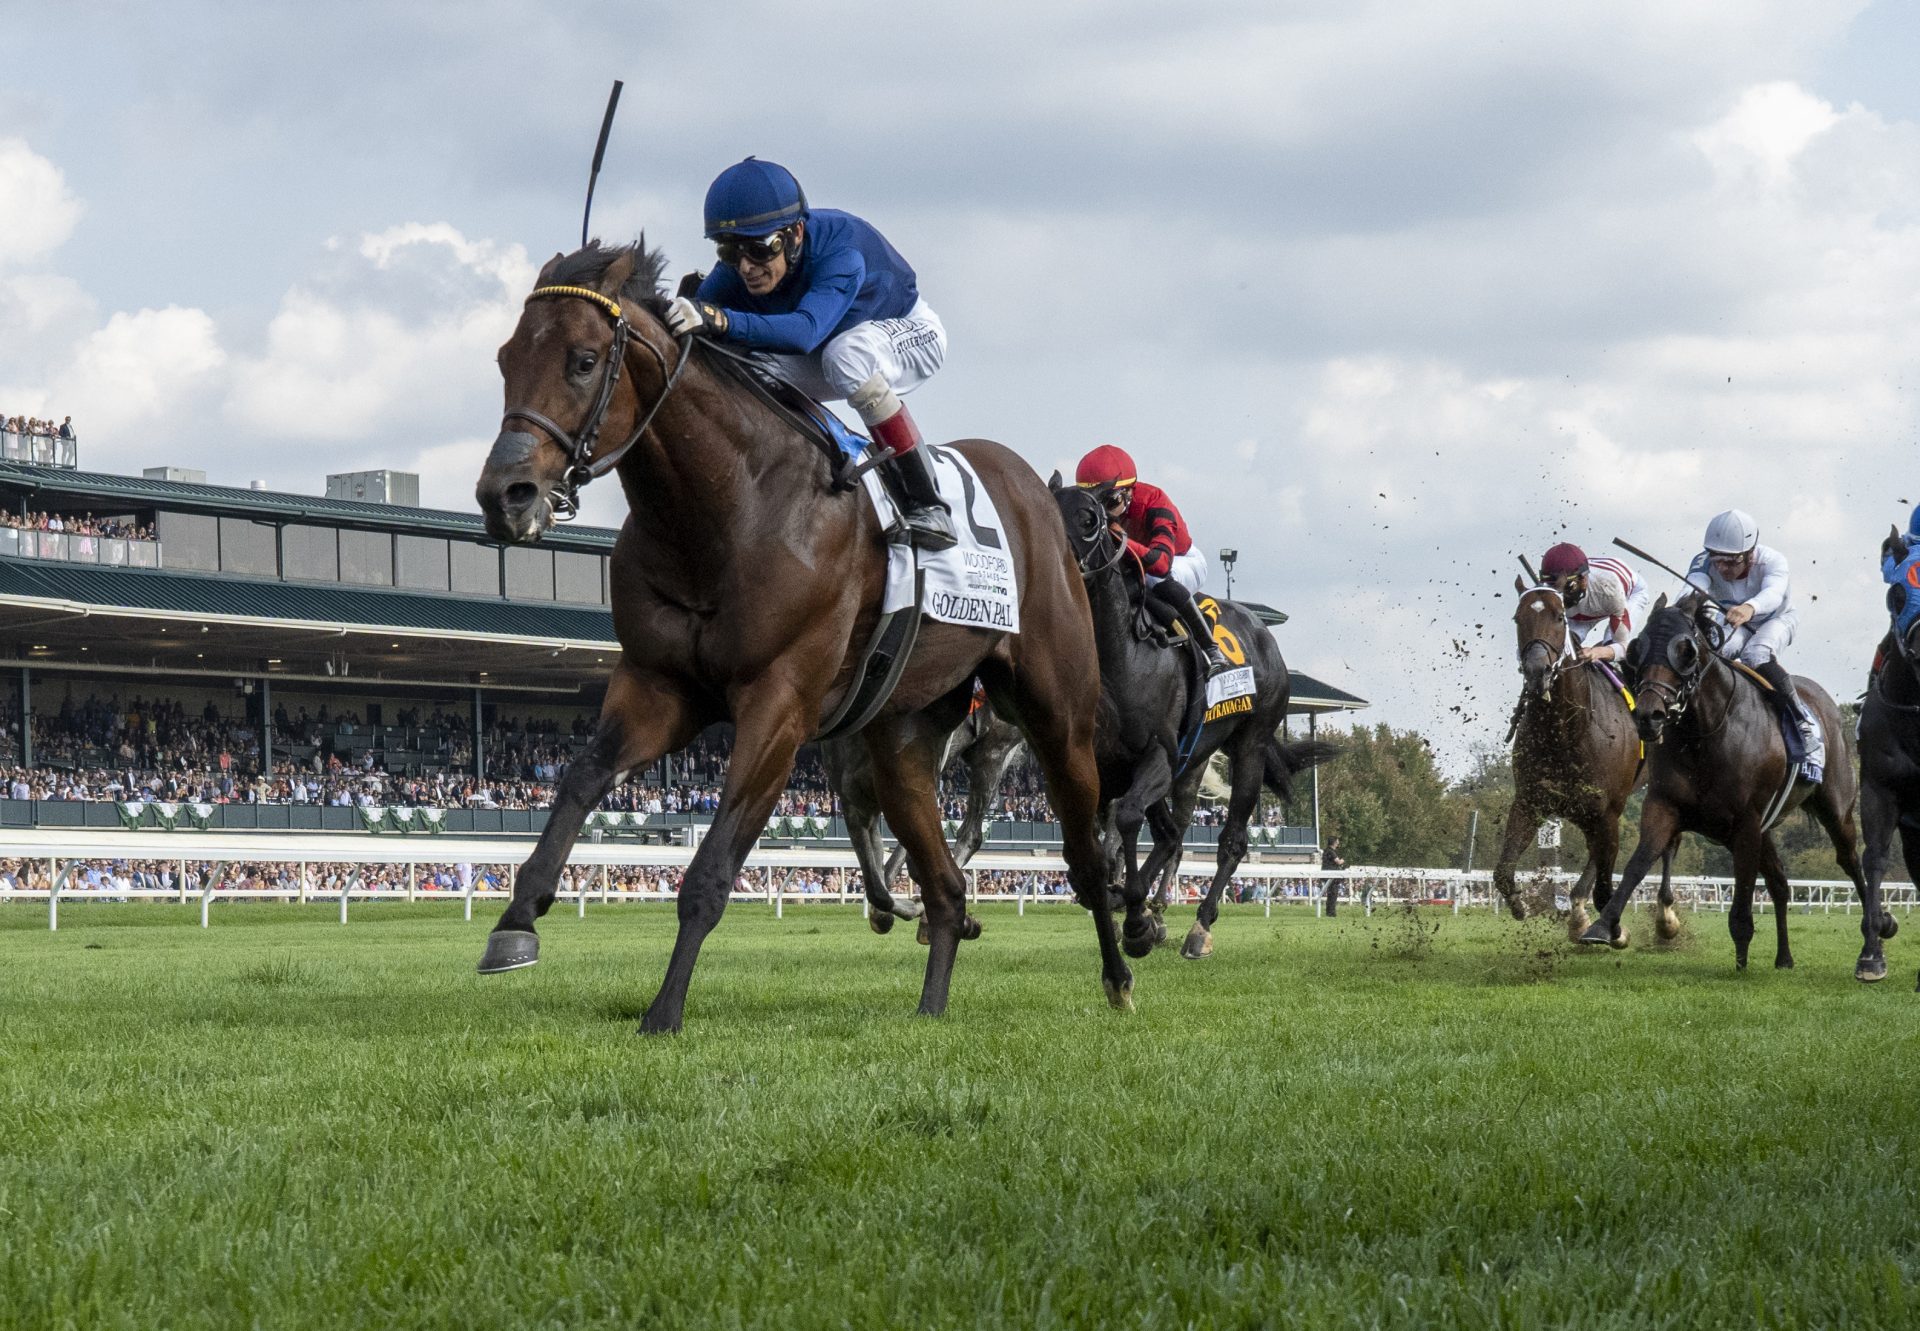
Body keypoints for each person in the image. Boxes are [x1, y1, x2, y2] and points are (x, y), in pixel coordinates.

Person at [666, 158, 956, 550]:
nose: (747, 267)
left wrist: (719, 319)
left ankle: (927, 503)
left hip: (912, 333)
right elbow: (699, 326)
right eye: (731, 252)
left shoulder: (842, 253)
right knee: (744, 367)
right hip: (827, 346)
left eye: (760, 249)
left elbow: (804, 334)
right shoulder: (740, 269)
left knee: (845, 355)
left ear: (795, 233)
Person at [1686, 509, 1821, 780]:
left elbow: (1773, 593)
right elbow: (1691, 589)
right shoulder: (1703, 563)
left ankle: (1801, 720)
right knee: (1716, 655)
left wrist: (1750, 607)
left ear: (1749, 553)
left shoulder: (1773, 561)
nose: (1722, 569)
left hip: (1776, 619)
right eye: (1717, 560)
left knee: (1755, 654)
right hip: (1736, 623)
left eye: (1730, 562)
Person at [1074, 444, 1229, 677]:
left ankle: (1211, 649)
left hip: (1180, 560)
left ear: (1129, 492)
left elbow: (1162, 564)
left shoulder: (1155, 502)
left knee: (1152, 580)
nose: (1103, 512)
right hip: (1134, 561)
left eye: (1109, 502)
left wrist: (1119, 538)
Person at [1538, 543, 1650, 664]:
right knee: (1562, 647)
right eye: (1553, 586)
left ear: (1584, 580)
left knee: (1611, 646)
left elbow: (1623, 648)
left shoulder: (1610, 590)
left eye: (1567, 587)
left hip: (1624, 595)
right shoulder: (1542, 595)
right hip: (1587, 607)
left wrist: (1596, 652)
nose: (1560, 594)